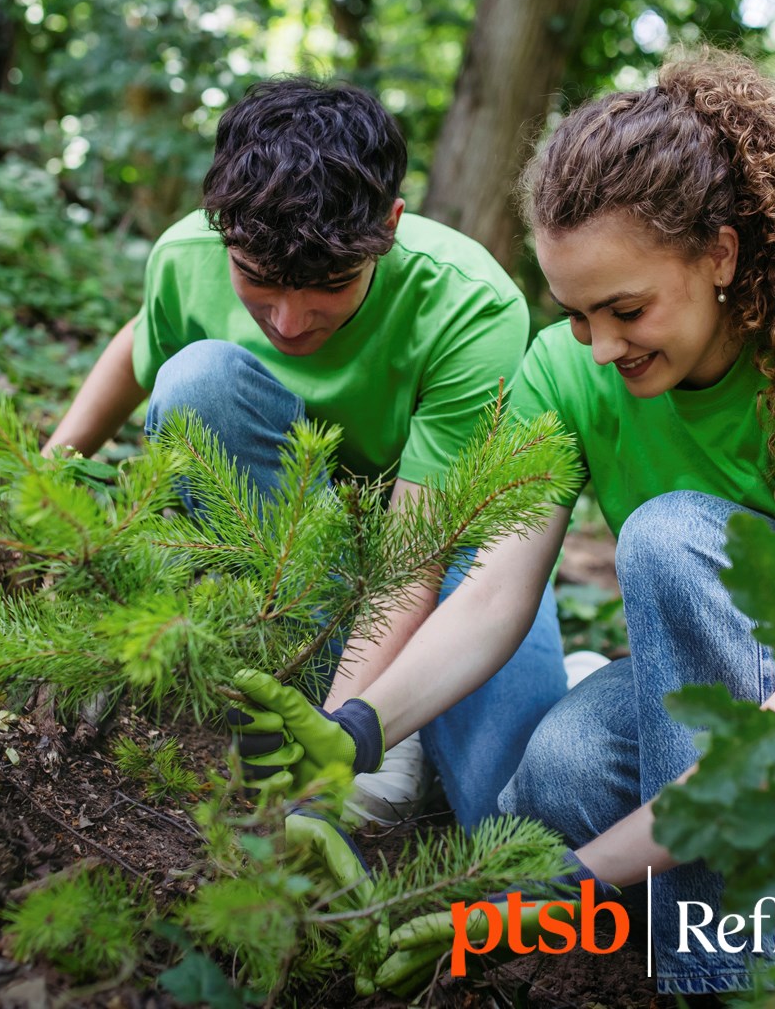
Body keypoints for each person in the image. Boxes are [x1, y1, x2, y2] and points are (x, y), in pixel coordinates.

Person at [232, 49, 775, 996]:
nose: (601, 347)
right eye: (574, 313)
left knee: (673, 534)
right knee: (557, 773)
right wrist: (357, 729)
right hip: (740, 676)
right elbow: (492, 594)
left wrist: (571, 886)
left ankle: (749, 976)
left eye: (628, 308)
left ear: (719, 253)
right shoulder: (566, 374)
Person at [45, 77, 568, 827]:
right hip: (291, 543)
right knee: (198, 379)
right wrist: (48, 475)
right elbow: (142, 346)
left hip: (440, 544)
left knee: (508, 811)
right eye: (257, 282)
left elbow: (412, 558)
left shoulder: (469, 306)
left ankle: (441, 714)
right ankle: (379, 725)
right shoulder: (185, 256)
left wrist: (336, 743)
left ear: (388, 226)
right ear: (220, 224)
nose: (288, 321)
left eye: (328, 285)